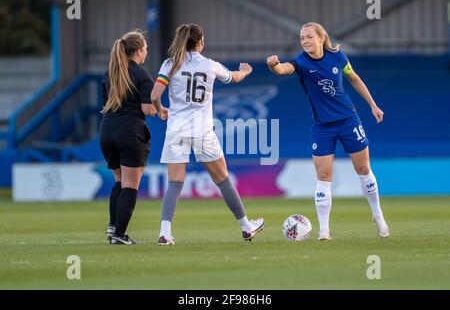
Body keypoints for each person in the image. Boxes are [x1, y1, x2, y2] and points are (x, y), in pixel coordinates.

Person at [267, 22, 389, 240]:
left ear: (321, 38)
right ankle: (324, 231)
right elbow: (283, 69)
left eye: (308, 37)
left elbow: (354, 78)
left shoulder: (338, 57)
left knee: (363, 169)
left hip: (349, 121)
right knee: (323, 176)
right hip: (322, 127)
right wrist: (274, 65)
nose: (304, 41)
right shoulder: (301, 63)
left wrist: (373, 105)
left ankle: (377, 214)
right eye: (302, 38)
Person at [151, 24, 264, 245]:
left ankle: (165, 233)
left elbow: (155, 95)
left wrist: (160, 109)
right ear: (200, 41)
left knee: (174, 184)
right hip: (203, 132)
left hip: (177, 130)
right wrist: (246, 71)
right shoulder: (210, 65)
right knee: (223, 181)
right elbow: (234, 77)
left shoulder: (170, 64)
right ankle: (245, 227)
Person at [99, 31, 156, 245]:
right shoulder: (142, 75)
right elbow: (147, 109)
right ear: (139, 50)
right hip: (130, 131)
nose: (146, 54)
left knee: (120, 181)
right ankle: (119, 236)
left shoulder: (108, 74)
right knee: (130, 185)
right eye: (145, 50)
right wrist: (161, 109)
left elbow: (105, 105)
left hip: (107, 130)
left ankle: (113, 226)